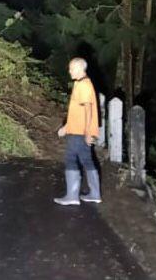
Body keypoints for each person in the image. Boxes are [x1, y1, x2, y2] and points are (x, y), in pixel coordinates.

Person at [53, 57, 102, 205]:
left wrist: (87, 132)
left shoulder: (83, 85)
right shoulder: (82, 83)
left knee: (70, 159)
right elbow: (77, 111)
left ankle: (72, 196)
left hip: (79, 132)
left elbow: (87, 109)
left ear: (80, 68)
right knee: (87, 160)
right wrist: (66, 127)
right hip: (78, 130)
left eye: (72, 68)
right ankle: (95, 194)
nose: (69, 71)